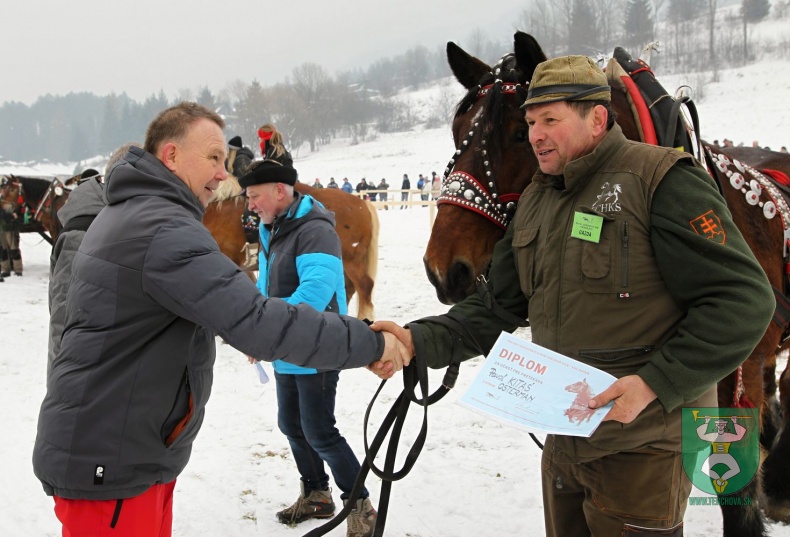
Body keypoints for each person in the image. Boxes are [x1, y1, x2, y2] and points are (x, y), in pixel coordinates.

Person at [372, 56, 774, 536]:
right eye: (529, 123)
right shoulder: (537, 200)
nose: (536, 134)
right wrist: (415, 341)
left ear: (597, 118)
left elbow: (745, 300)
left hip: (642, 448)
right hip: (564, 445)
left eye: (550, 120)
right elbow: (496, 306)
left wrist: (654, 383)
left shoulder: (661, 181)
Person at [33, 102, 408, 537]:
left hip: (126, 450)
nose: (221, 174)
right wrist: (372, 343)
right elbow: (256, 319)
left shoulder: (141, 215)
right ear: (171, 155)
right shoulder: (161, 228)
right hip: (113, 461)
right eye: (212, 158)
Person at [240, 159, 378, 537]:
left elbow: (315, 293)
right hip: (288, 345)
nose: (250, 205)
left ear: (279, 192)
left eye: (254, 196)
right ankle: (317, 493)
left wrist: (268, 331)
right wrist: (257, 327)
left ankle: (360, 505)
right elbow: (268, 287)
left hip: (316, 344)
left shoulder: (314, 230)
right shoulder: (275, 227)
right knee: (291, 425)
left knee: (319, 430)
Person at [46, 155, 133, 382]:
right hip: (82, 386)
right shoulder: (81, 234)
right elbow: (63, 320)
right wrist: (63, 386)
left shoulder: (118, 225)